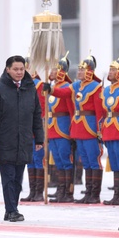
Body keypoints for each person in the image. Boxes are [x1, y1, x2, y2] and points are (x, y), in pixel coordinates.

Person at [0, 55, 43, 222]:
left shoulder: (30, 88)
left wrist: (39, 138)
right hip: (4, 140)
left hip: (24, 140)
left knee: (18, 179)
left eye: (22, 69)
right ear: (8, 70)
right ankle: (12, 209)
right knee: (8, 177)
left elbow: (36, 114)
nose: (19, 72)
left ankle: (11, 209)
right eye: (16, 69)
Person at [43, 55, 103, 204]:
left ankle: (93, 194)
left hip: (90, 127)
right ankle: (84, 193)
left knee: (93, 160)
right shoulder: (75, 86)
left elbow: (99, 111)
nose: (79, 72)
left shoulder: (96, 87)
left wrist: (100, 130)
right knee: (85, 161)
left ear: (89, 71)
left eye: (82, 70)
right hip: (78, 127)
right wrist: (50, 89)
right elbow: (63, 93)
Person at [46, 56, 75, 203]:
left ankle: (67, 192)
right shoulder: (52, 85)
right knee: (57, 159)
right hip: (51, 126)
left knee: (65, 159)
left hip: (63, 126)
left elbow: (69, 106)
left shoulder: (66, 86)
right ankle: (60, 189)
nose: (52, 72)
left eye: (54, 69)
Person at [20, 56, 46, 202]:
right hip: (25, 127)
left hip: (35, 126)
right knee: (29, 159)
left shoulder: (38, 84)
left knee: (38, 158)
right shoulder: (22, 84)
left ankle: (39, 192)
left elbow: (41, 108)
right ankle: (32, 191)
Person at [101, 58, 119, 205]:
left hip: (118, 125)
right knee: (114, 162)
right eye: (110, 70)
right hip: (109, 127)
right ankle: (116, 194)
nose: (111, 72)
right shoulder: (107, 90)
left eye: (113, 70)